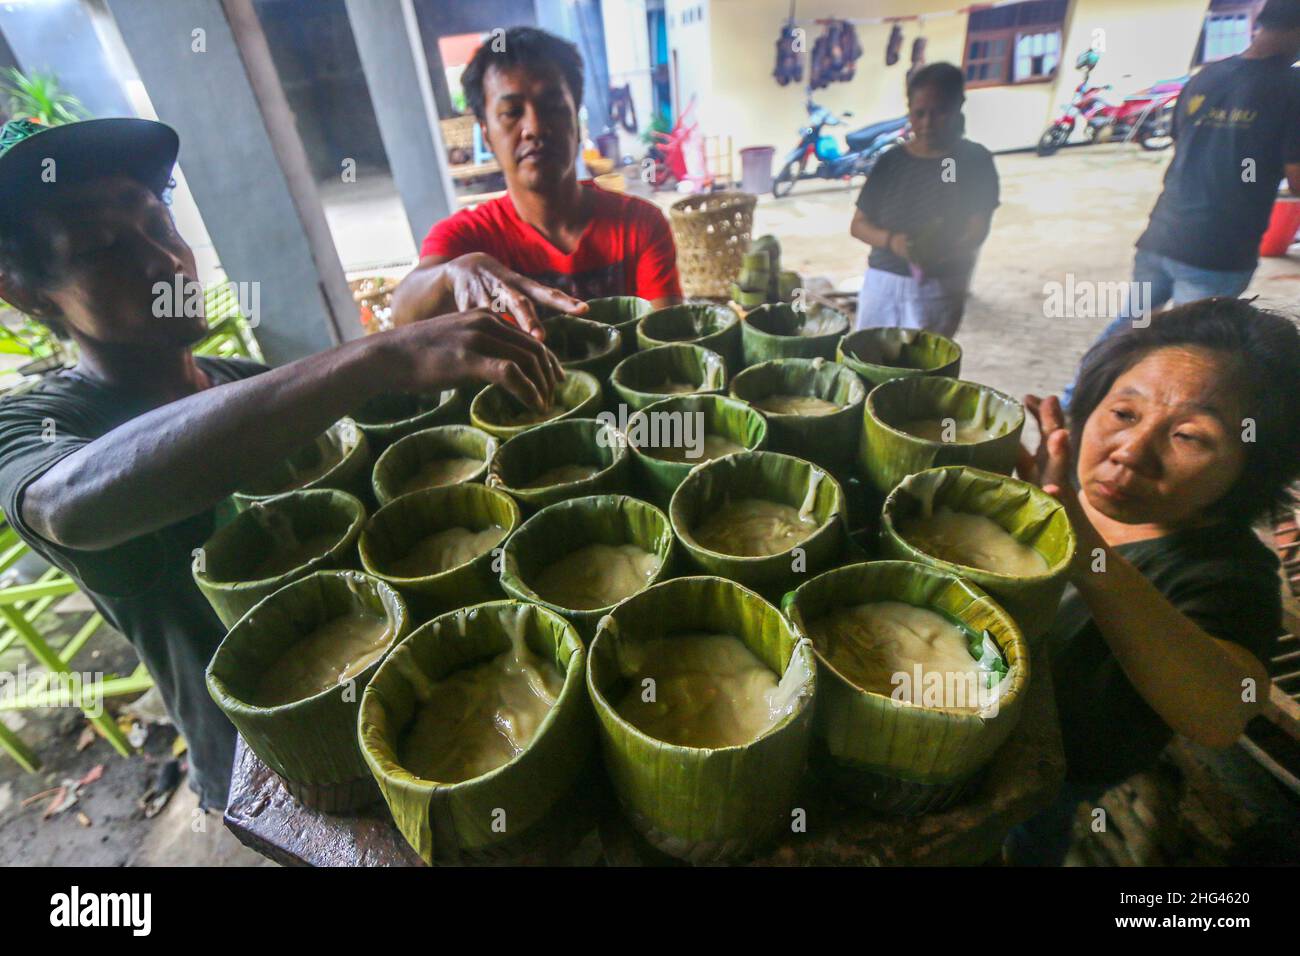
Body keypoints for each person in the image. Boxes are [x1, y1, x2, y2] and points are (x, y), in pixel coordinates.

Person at [0, 117, 561, 810]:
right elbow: (70, 504)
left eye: (160, 224)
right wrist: (378, 356)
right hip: (270, 772)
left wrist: (442, 308)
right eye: (103, 247)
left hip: (400, 712)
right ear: (24, 293)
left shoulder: (246, 385)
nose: (162, 262)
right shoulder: (37, 429)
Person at [1006, 297, 1299, 865]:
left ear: (1252, 468)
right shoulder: (1067, 492)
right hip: (1003, 727)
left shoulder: (1227, 573)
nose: (1131, 453)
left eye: (1190, 437)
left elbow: (1221, 712)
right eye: (1123, 413)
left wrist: (1083, 551)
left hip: (1067, 764)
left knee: (1030, 829)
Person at [391, 27, 682, 334]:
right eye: (511, 112)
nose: (534, 127)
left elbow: (667, 341)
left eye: (553, 107)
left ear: (577, 120)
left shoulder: (640, 225)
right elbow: (404, 315)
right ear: (486, 134)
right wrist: (452, 275)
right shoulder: (464, 240)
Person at [1071, 0, 1300, 367]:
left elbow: (1184, 145)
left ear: (1261, 22)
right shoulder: (1292, 87)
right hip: (1219, 250)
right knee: (1192, 351)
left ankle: (1077, 396)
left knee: (1134, 326)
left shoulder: (1206, 77)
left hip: (1163, 232)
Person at [849, 62, 999, 338]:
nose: (927, 123)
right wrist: (893, 241)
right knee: (868, 370)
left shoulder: (973, 161)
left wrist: (946, 250)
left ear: (958, 106)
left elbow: (977, 228)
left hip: (939, 289)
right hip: (882, 286)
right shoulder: (890, 162)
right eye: (919, 114)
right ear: (909, 112)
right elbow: (858, 225)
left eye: (939, 112)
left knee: (922, 377)